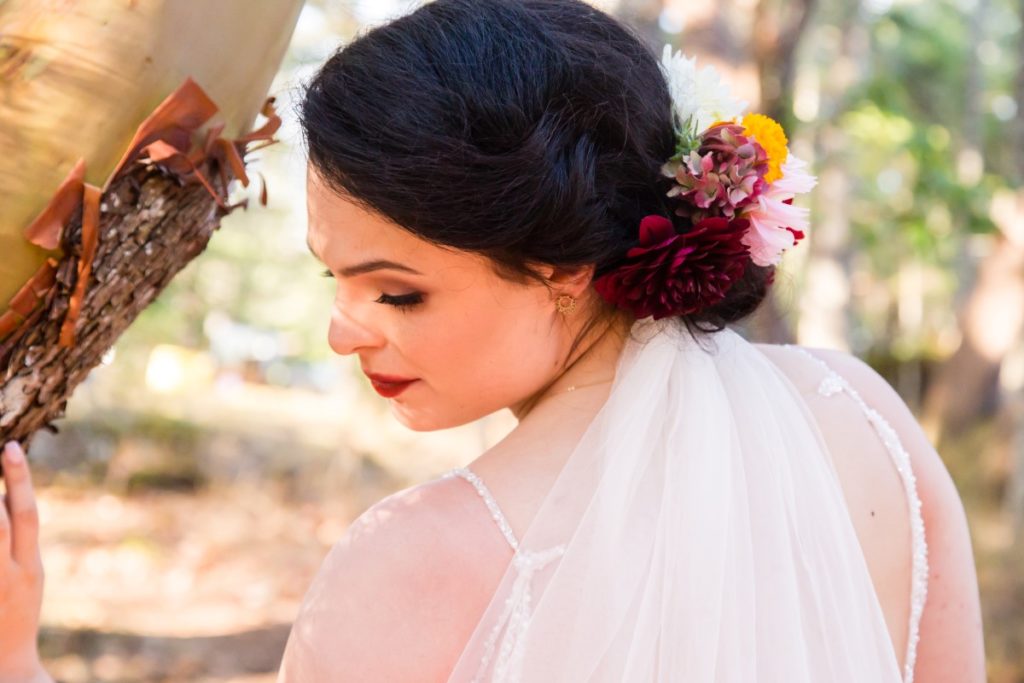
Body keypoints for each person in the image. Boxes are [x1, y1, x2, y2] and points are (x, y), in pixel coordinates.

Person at [0, 0, 986, 681]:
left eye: (399, 292)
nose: (342, 331)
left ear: (563, 266)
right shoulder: (867, 422)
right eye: (336, 278)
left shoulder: (410, 560)